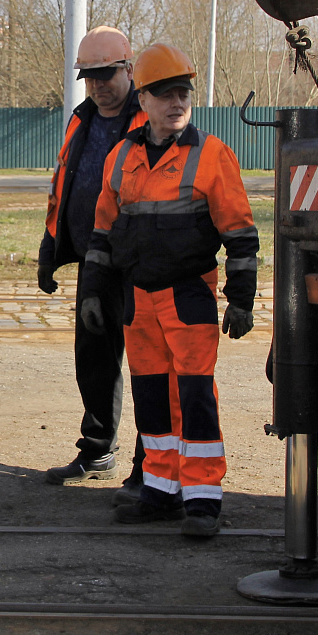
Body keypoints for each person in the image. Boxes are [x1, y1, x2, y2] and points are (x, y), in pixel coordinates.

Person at [80, 43, 258, 537]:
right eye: (165, 94)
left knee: (195, 396)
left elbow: (240, 233)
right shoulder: (123, 157)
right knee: (153, 396)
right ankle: (161, 490)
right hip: (138, 300)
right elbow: (102, 234)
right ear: (144, 100)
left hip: (189, 295)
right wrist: (93, 291)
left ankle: (203, 500)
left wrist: (242, 298)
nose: (177, 103)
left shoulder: (211, 155)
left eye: (183, 94)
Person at [38, 26, 147, 500]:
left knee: (148, 364)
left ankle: (153, 463)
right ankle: (98, 449)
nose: (99, 85)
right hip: (92, 263)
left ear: (128, 69)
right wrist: (51, 246)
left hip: (142, 266)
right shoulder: (82, 119)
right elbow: (65, 184)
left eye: (107, 74)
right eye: (91, 76)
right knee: (94, 361)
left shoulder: (151, 118)